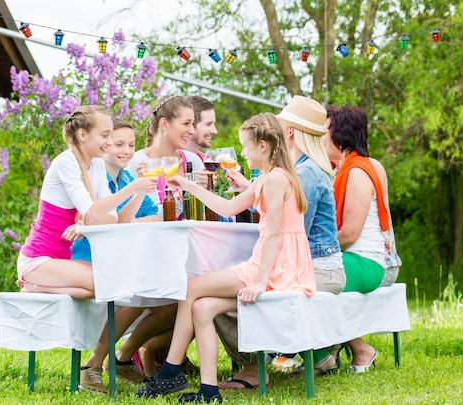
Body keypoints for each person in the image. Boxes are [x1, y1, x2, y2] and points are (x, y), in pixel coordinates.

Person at [135, 112, 315, 404]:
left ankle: (170, 371)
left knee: (191, 287)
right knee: (203, 307)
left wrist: (258, 282)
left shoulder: (275, 179)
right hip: (275, 264)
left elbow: (273, 236)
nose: (242, 152)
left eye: (245, 146)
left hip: (279, 268)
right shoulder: (271, 177)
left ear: (263, 145)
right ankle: (208, 391)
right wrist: (188, 184)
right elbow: (228, 208)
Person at [216, 95, 347, 389]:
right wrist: (253, 189)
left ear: (288, 132)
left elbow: (294, 228)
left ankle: (252, 367)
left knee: (227, 296)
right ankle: (266, 361)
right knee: (232, 285)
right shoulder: (302, 168)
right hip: (315, 265)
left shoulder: (305, 172)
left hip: (314, 269)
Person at [70, 117, 177, 393]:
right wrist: (126, 221)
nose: (127, 150)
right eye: (119, 143)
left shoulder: (128, 177)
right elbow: (101, 220)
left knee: (170, 302)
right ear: (103, 145)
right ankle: (92, 365)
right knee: (136, 291)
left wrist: (138, 193)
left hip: (125, 257)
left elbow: (154, 217)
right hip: (90, 257)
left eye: (130, 144)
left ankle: (122, 358)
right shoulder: (95, 178)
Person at [15, 105, 158, 298]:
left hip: (62, 258)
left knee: (113, 281)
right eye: (105, 135)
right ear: (83, 135)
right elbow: (91, 211)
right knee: (105, 283)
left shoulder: (96, 164)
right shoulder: (66, 162)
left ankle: (36, 287)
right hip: (38, 259)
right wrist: (133, 188)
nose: (108, 142)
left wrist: (84, 224)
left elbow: (112, 219)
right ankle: (33, 284)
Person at [322, 105, 400, 372]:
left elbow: (349, 234)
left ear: (340, 135)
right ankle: (340, 352)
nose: (320, 137)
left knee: (308, 276)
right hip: (354, 258)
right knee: (308, 273)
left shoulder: (357, 171)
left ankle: (325, 355)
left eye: (324, 130)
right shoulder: (338, 170)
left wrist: (312, 250)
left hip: (368, 261)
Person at [127, 94, 204, 219]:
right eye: (186, 123)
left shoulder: (192, 161)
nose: (192, 131)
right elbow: (152, 217)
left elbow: (203, 212)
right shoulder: (137, 163)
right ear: (164, 124)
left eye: (193, 124)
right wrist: (181, 196)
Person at [184, 95, 218, 161]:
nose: (215, 131)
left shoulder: (208, 161)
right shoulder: (171, 162)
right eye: (208, 124)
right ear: (190, 125)